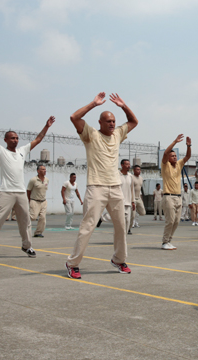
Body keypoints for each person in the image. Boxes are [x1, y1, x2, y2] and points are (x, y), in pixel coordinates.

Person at [65, 92, 138, 278]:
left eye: (114, 121)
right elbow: (74, 117)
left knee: (122, 226)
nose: (112, 124)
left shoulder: (118, 135)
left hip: (115, 188)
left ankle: (119, 260)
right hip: (96, 187)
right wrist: (94, 104)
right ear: (100, 123)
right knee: (88, 226)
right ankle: (72, 263)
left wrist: (123, 106)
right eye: (108, 121)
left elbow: (133, 121)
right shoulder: (90, 135)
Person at [0, 107, 53, 261]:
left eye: (16, 138)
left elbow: (38, 139)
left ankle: (27, 246)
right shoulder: (1, 151)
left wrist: (47, 126)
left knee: (25, 221)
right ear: (5, 140)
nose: (15, 140)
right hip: (6, 192)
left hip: (21, 192)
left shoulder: (22, 151)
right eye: (12, 138)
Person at [159, 135, 191, 249]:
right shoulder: (165, 165)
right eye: (172, 156)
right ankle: (164, 242)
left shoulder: (179, 164)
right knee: (170, 220)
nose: (174, 157)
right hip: (168, 197)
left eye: (175, 155)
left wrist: (188, 146)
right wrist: (175, 142)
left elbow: (188, 156)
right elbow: (165, 154)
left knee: (176, 221)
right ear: (168, 158)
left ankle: (169, 241)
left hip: (178, 197)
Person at [27, 165, 49, 238]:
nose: (44, 171)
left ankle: (38, 232)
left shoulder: (47, 180)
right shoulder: (33, 180)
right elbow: (28, 191)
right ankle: (24, 223)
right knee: (33, 217)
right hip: (34, 201)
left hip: (43, 201)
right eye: (43, 169)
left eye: (45, 169)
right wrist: (29, 200)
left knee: (42, 217)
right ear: (38, 171)